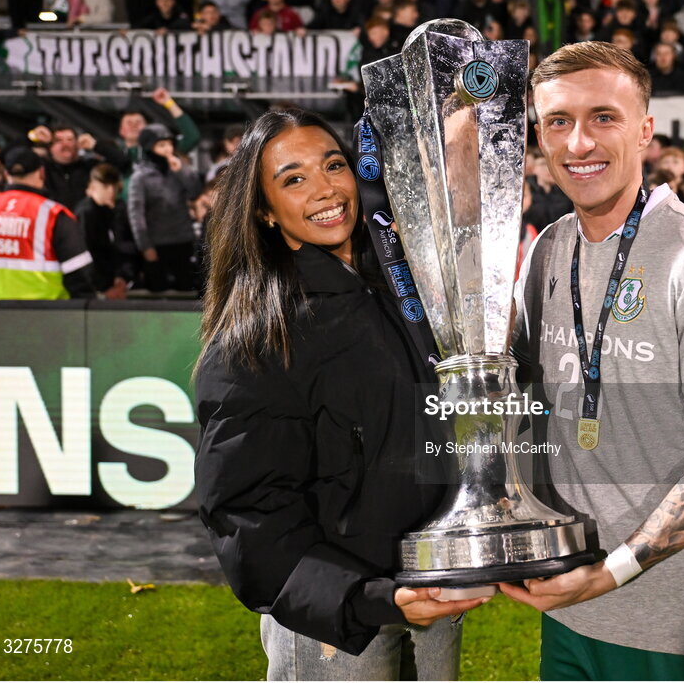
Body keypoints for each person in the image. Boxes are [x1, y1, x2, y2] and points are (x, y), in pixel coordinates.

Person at [505, 41, 684, 681]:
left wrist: (612, 571)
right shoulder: (546, 250)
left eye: (604, 117)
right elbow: (520, 402)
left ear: (646, 131)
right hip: (569, 606)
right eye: (558, 122)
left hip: (671, 622)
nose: (578, 144)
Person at [193, 107, 484, 680]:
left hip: (432, 593)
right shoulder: (256, 338)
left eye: (333, 165)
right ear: (263, 211)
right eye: (293, 178)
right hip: (338, 625)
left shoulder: (403, 289)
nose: (326, 189)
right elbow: (245, 515)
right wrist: (364, 598)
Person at [0, 147, 95, 300]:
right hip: (50, 316)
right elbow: (79, 274)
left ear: (6, 174)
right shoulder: (53, 214)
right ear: (42, 173)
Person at [127, 124, 200, 292]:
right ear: (149, 148)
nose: (167, 149)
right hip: (157, 244)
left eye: (169, 144)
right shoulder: (140, 177)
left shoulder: (179, 168)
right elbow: (136, 216)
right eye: (161, 145)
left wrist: (182, 171)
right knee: (158, 290)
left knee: (187, 288)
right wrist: (145, 246)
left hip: (183, 240)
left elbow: (194, 192)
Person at [76, 163, 128, 299]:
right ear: (93, 186)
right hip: (95, 288)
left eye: (114, 186)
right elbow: (86, 253)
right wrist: (102, 288)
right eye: (105, 186)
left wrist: (118, 277)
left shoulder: (110, 211)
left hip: (109, 282)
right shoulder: (86, 213)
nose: (111, 191)